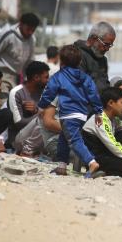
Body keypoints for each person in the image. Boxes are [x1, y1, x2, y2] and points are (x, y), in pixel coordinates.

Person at [37, 45, 103, 176]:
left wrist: (41, 105)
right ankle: (62, 166)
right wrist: (98, 112)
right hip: (82, 114)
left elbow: (49, 91)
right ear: (79, 62)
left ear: (62, 61)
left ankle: (92, 162)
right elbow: (93, 94)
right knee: (63, 138)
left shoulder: (59, 76)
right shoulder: (85, 77)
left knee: (74, 140)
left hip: (68, 114)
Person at [82, 87, 122, 178]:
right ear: (111, 103)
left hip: (105, 155)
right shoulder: (99, 119)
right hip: (94, 158)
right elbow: (112, 144)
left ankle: (104, 171)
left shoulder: (113, 119)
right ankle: (97, 171)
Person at [0, 13, 39, 93]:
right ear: (21, 24)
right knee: (4, 101)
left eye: (33, 30)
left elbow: (30, 62)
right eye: (28, 29)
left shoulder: (32, 39)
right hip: (1, 75)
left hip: (17, 78)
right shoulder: (9, 34)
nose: (30, 32)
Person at [6, 61, 50, 155]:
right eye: (46, 77)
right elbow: (18, 123)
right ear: (36, 77)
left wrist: (37, 110)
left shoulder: (44, 92)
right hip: (18, 139)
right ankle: (26, 151)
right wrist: (40, 113)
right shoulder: (17, 92)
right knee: (45, 118)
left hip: (40, 137)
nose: (48, 80)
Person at [73, 22, 116, 93]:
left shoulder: (103, 60)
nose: (107, 49)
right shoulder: (76, 55)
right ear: (94, 38)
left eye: (110, 45)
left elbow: (104, 84)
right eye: (106, 44)